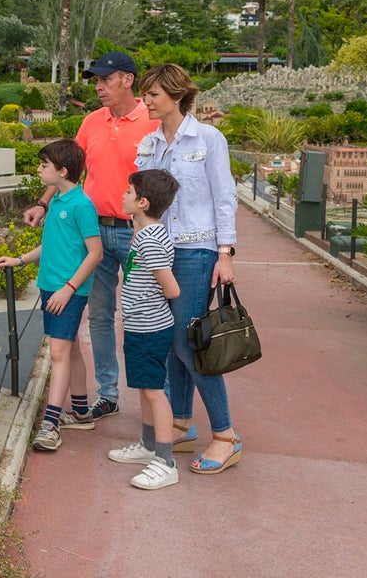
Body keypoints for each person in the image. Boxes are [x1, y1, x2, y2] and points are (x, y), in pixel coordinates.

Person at [23, 52, 159, 422]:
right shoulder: (91, 122)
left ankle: (155, 404)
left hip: (135, 234)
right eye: (96, 81)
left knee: (144, 316)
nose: (98, 87)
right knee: (99, 316)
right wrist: (43, 203)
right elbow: (70, 171)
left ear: (127, 80)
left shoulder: (152, 120)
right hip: (93, 231)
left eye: (105, 79)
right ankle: (109, 394)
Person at [134, 63, 241, 474]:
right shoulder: (148, 143)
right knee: (169, 341)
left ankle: (226, 436)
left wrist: (226, 253)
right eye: (145, 94)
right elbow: (141, 202)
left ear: (177, 97)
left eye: (153, 95)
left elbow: (224, 197)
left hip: (196, 251)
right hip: (159, 250)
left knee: (189, 342)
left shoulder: (209, 139)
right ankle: (179, 423)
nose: (146, 101)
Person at [0, 139, 103, 451]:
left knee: (58, 354)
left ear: (63, 170)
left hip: (66, 291)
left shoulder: (82, 205)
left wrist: (68, 290)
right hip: (52, 287)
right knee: (69, 351)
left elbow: (95, 253)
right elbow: (54, 244)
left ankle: (50, 424)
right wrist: (21, 260)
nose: (39, 170)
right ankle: (82, 412)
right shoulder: (58, 199)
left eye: (44, 166)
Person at [107, 169, 182, 490]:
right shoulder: (146, 235)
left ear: (142, 201)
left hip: (151, 329)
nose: (122, 196)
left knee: (154, 391)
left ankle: (165, 460)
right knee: (144, 388)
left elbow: (172, 289)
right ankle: (148, 445)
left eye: (127, 192)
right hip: (139, 327)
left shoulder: (151, 240)